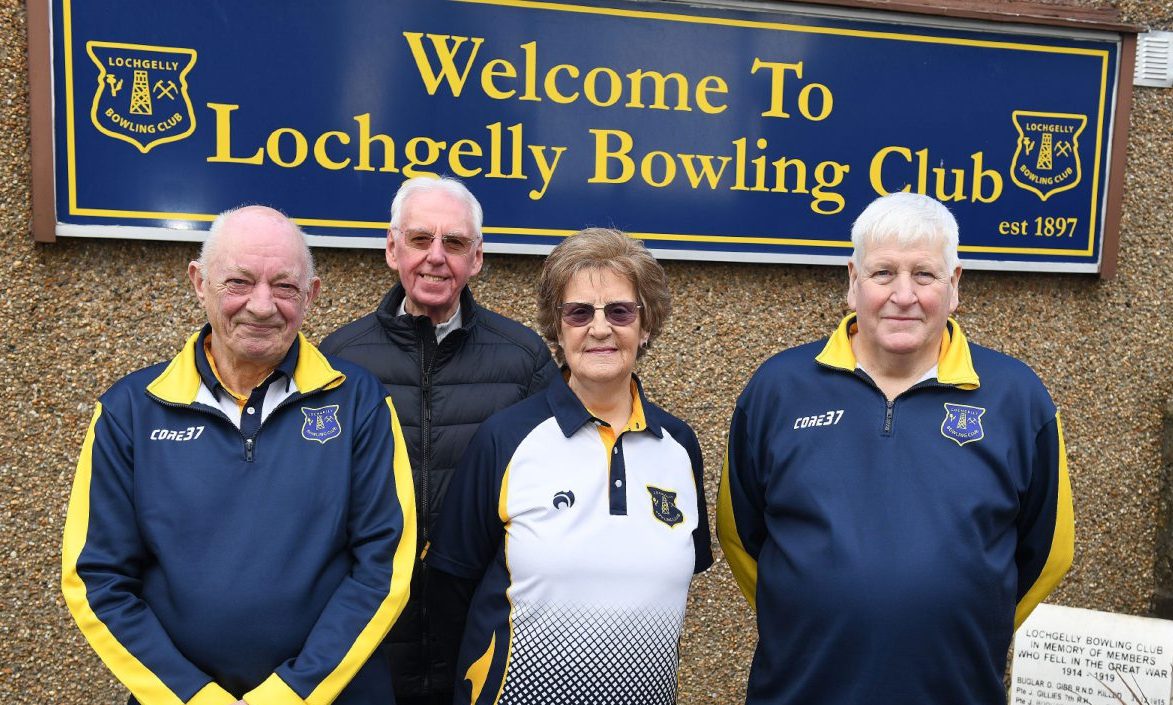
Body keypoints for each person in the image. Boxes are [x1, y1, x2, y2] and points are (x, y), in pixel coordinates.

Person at [718, 192, 1074, 705]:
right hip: (801, 689)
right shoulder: (778, 388)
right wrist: (811, 608)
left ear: (953, 287)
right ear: (853, 281)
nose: (902, 295)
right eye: (883, 273)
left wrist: (964, 613)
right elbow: (741, 535)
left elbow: (1049, 552)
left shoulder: (1018, 399)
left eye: (924, 275)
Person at [62, 205, 416, 705]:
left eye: (285, 287)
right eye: (239, 282)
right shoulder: (130, 412)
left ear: (311, 296)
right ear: (198, 283)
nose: (262, 305)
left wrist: (293, 692)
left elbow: (385, 567)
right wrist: (192, 697)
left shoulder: (358, 401)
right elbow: (97, 578)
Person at [426, 227, 713, 704]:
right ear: (557, 330)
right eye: (579, 312)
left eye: (620, 311)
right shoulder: (506, 438)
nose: (600, 328)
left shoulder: (679, 446)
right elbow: (451, 588)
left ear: (645, 327)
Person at [319, 176, 558, 705]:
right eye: (420, 238)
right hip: (371, 628)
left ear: (476, 258)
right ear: (391, 248)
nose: (435, 257)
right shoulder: (338, 359)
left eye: (454, 243)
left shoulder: (523, 360)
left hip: (481, 621)